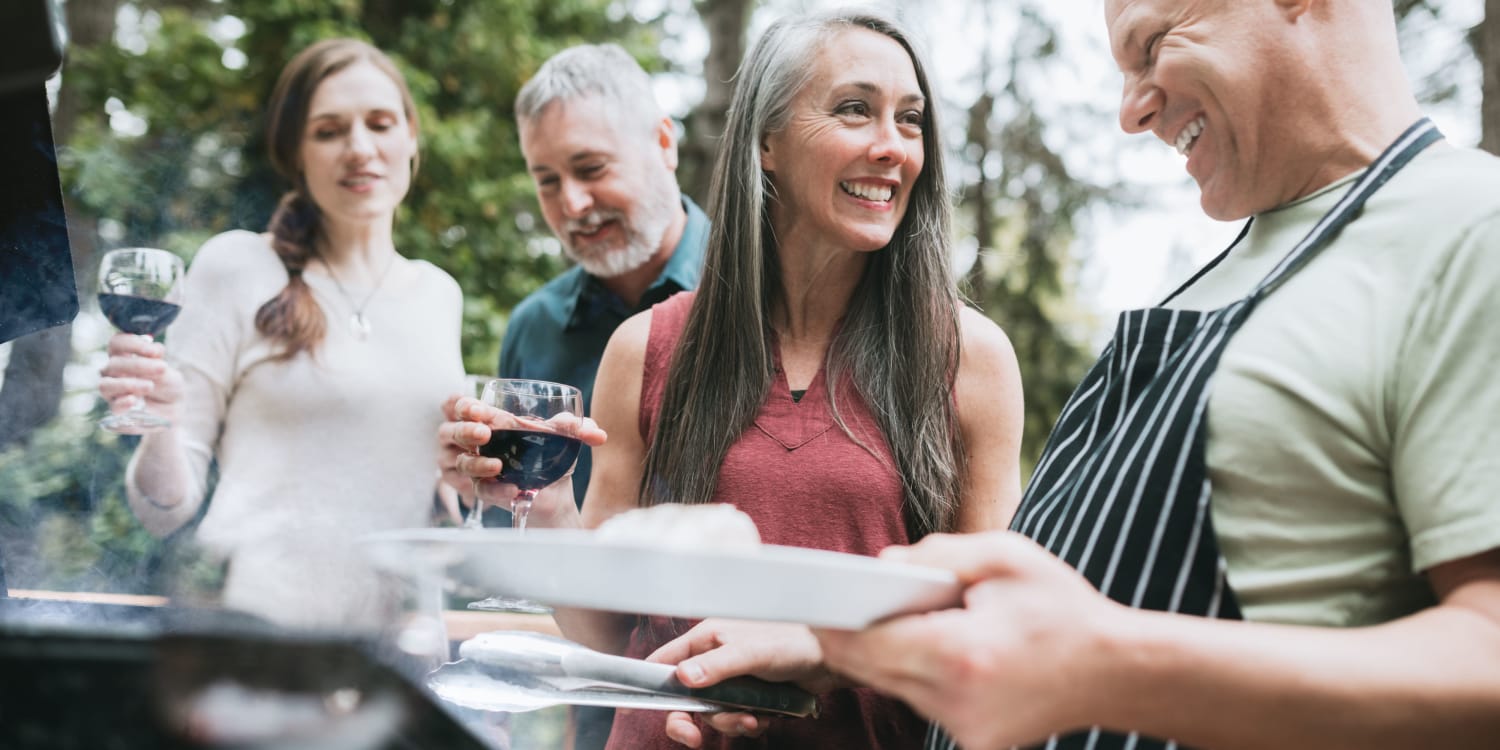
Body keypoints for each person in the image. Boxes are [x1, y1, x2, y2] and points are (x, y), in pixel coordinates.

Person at [658, 1, 1500, 748]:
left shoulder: (1468, 227)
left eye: (1153, 45)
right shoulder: (1245, 261)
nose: (1132, 110)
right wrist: (827, 638)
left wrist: (1107, 665)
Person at [441, 8, 1025, 748]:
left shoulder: (970, 357)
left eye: (910, 120)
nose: (891, 147)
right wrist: (549, 506)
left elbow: (995, 629)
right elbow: (604, 627)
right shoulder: (645, 347)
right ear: (767, 141)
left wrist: (820, 652)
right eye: (854, 109)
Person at [99, 38, 464, 630]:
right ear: (297, 153)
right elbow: (162, 511)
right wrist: (158, 425)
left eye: (380, 123)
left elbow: (429, 491)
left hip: (394, 653)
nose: (360, 149)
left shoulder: (439, 294)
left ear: (411, 137)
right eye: (329, 131)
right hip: (252, 635)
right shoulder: (236, 266)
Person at [491, 43, 708, 517]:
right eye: (547, 180)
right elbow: (511, 524)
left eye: (591, 169)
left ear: (664, 145)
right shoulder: (534, 327)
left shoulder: (762, 296)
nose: (572, 204)